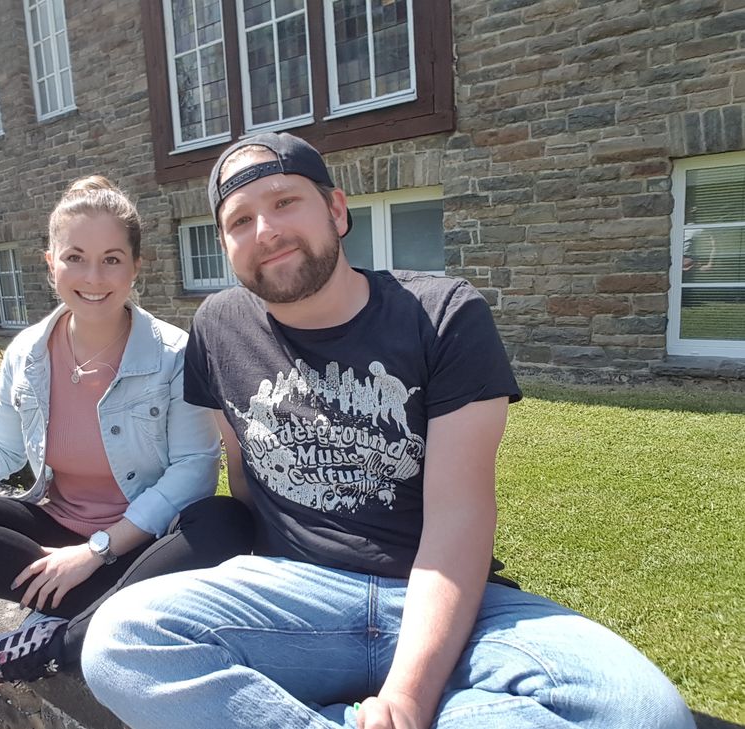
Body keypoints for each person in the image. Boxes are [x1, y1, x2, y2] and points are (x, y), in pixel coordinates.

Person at [79, 133, 695, 729]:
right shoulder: (218, 326)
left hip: (437, 594)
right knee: (120, 641)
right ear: (224, 245)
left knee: (639, 709)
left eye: (285, 201)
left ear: (337, 210)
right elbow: (244, 476)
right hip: (294, 598)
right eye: (239, 221)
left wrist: (407, 694)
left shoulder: (443, 314)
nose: (265, 231)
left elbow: (461, 517)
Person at [0, 176, 253, 700]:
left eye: (111, 259)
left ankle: (55, 639)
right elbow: (2, 447)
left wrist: (97, 551)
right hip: (55, 534)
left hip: (142, 544)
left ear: (135, 266)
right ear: (50, 263)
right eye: (75, 258)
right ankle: (112, 609)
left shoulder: (174, 354)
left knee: (225, 521)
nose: (93, 277)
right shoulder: (27, 352)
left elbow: (195, 470)